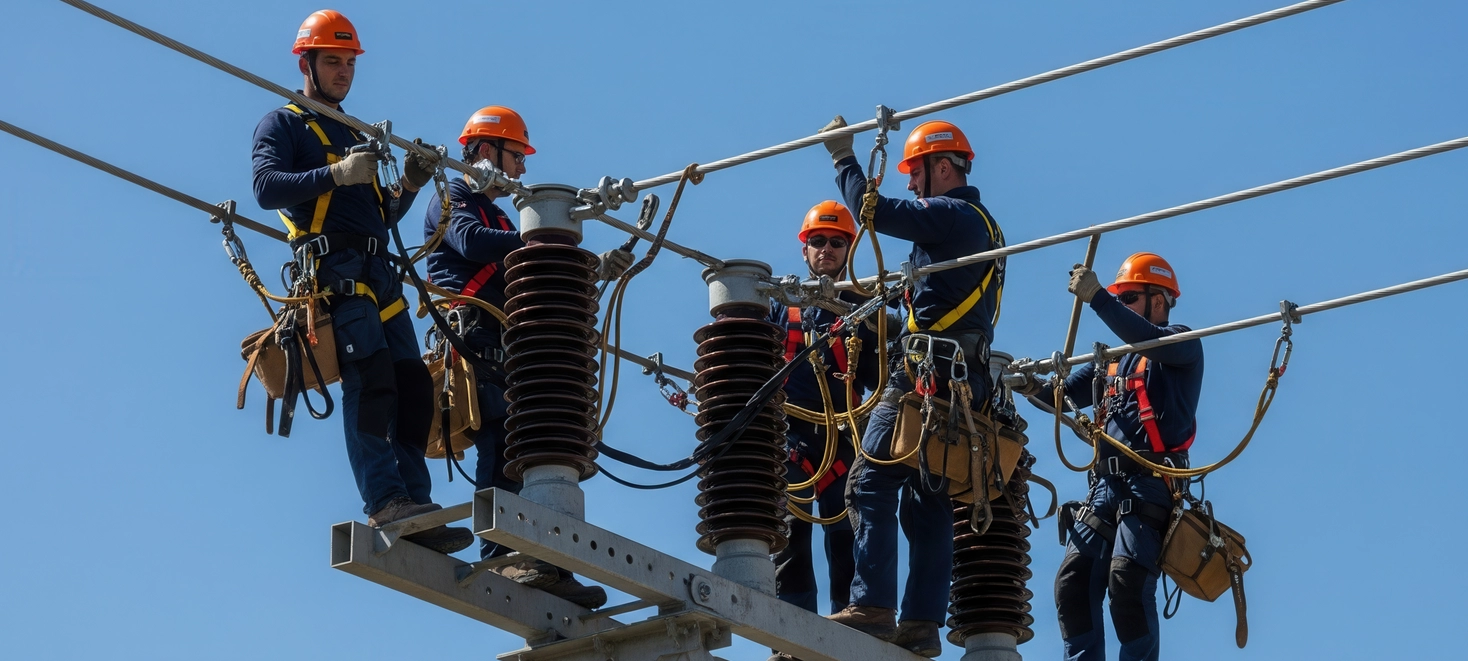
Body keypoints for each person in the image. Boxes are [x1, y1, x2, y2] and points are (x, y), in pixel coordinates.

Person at [251, 10, 471, 553]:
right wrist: (335, 173)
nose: (344, 72)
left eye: (349, 63)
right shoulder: (284, 124)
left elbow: (374, 216)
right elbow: (265, 187)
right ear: (307, 63)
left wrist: (411, 188)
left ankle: (415, 502)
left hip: (380, 272)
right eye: (333, 61)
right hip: (336, 273)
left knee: (413, 387)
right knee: (370, 380)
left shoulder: (353, 131)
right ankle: (384, 502)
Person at [423, 105, 632, 607]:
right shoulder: (450, 198)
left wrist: (589, 268)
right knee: (499, 445)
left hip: (515, 348)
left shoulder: (498, 214)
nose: (521, 170)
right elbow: (471, 244)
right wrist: (542, 241)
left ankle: (547, 560)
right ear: (485, 151)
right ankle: (502, 552)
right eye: (516, 157)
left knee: (537, 446)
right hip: (475, 341)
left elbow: (537, 282)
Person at [817, 117, 1005, 657]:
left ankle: (873, 605)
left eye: (917, 172)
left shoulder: (951, 214)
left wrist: (843, 159)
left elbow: (874, 213)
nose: (912, 184)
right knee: (928, 498)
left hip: (925, 373)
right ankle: (921, 624)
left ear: (943, 167)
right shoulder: (980, 225)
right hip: (962, 377)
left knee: (868, 482)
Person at [1019, 253, 1203, 661]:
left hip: (1149, 484)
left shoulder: (1181, 345)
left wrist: (1098, 298)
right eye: (1121, 299)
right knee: (1073, 582)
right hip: (1105, 487)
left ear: (1159, 300)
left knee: (1127, 584)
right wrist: (1027, 382)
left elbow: (1146, 338)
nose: (1122, 306)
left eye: (1130, 298)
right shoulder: (1116, 363)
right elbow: (1059, 397)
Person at [766, 201, 881, 661]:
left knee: (846, 537)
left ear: (849, 250)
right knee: (791, 535)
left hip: (845, 440)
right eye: (819, 242)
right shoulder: (781, 305)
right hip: (792, 438)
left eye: (837, 243)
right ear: (805, 249)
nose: (827, 250)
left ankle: (847, 634)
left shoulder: (865, 308)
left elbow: (881, 377)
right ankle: (793, 638)